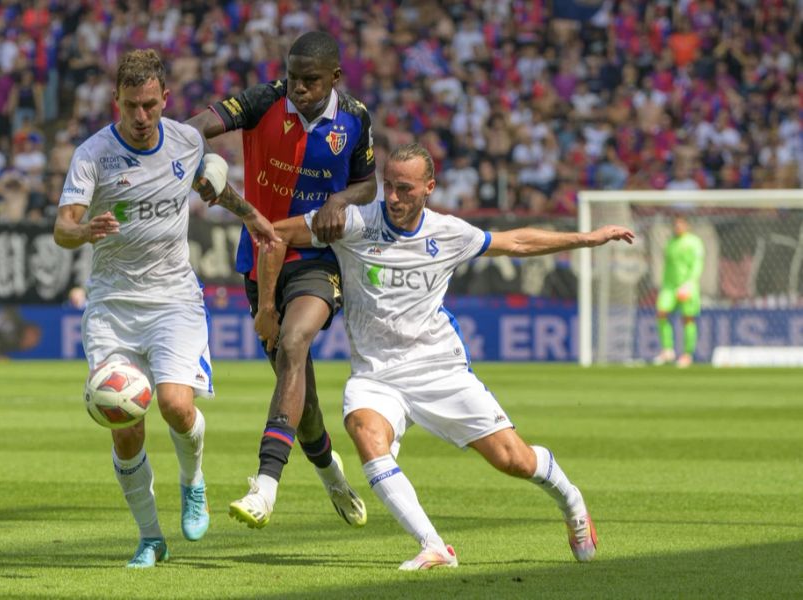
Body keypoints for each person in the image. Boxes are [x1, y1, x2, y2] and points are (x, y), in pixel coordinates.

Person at [255, 143, 635, 569]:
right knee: (363, 429)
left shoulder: (449, 232)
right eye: (388, 187)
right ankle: (433, 545)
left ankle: (571, 500)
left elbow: (516, 243)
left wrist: (588, 238)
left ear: (429, 188)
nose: (394, 198)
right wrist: (267, 308)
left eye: (404, 188)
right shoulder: (356, 221)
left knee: (514, 460)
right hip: (376, 373)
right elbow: (276, 234)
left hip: (438, 367)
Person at [53, 49, 277, 568]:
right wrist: (83, 230)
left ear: (164, 100)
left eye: (150, 105)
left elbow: (211, 186)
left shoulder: (186, 139)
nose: (140, 116)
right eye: (131, 105)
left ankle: (192, 480)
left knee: (177, 406)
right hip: (113, 304)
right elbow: (63, 227)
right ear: (116, 101)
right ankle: (151, 536)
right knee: (125, 425)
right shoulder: (93, 154)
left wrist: (252, 217)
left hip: (174, 298)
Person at [186, 31, 377, 529]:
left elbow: (368, 181)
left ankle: (264, 486)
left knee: (294, 342)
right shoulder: (264, 99)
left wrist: (340, 201)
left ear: (335, 78)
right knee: (304, 398)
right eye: (293, 77)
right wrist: (182, 147)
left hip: (316, 255)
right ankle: (329, 469)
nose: (298, 88)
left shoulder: (355, 118)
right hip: (261, 255)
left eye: (311, 81)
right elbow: (200, 125)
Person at [653, 215, 705, 368]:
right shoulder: (670, 242)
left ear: (687, 226)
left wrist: (689, 284)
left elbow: (697, 264)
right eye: (675, 225)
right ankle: (667, 350)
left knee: (687, 318)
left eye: (681, 224)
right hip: (669, 285)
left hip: (688, 284)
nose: (678, 227)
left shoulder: (694, 242)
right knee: (661, 312)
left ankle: (687, 355)